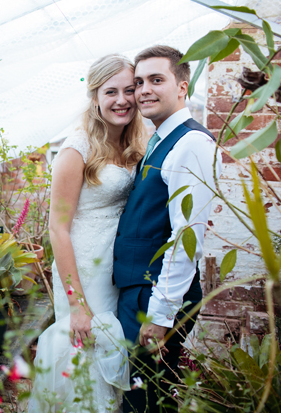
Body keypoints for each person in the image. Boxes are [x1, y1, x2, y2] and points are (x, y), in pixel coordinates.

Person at [29, 54, 145, 413]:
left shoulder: (135, 141)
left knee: (108, 345)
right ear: (95, 97)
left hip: (114, 266)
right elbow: (58, 229)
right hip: (82, 265)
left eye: (130, 90)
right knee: (86, 343)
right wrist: (77, 303)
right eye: (111, 91)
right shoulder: (76, 149)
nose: (122, 100)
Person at [113, 45, 221, 413]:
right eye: (139, 82)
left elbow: (187, 236)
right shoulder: (160, 139)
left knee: (145, 401)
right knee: (141, 395)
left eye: (156, 80)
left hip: (155, 294)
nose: (143, 90)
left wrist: (160, 316)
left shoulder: (191, 143)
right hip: (141, 288)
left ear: (182, 86)